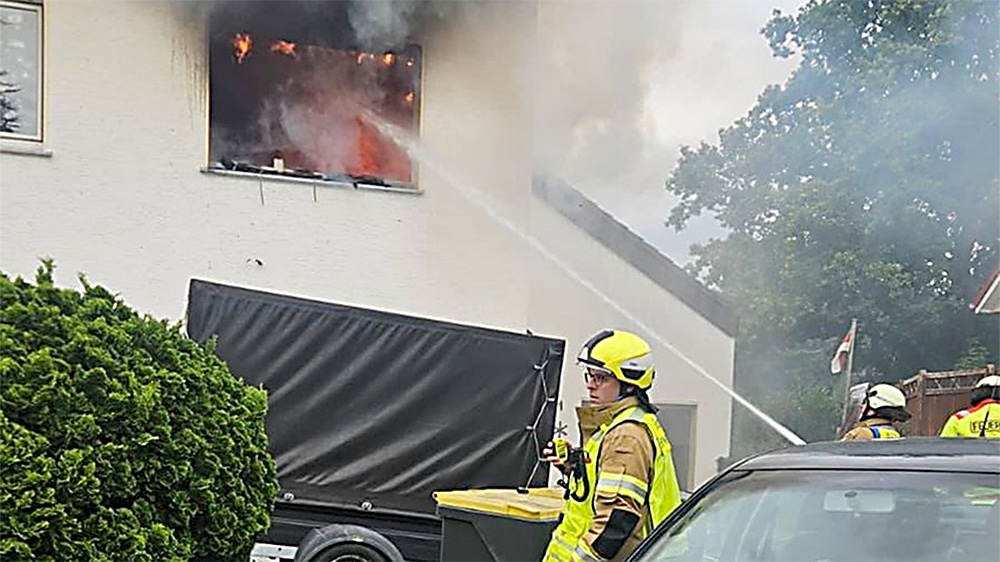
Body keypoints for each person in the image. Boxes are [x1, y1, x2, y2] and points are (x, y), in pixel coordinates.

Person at [541, 330, 682, 562]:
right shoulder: (620, 426)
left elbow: (616, 521)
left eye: (601, 378)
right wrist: (574, 466)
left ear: (628, 383)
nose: (591, 386)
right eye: (589, 376)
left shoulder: (625, 436)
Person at [841, 383, 911, 440]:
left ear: (875, 405)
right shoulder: (896, 435)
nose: (861, 406)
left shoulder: (860, 434)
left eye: (865, 402)